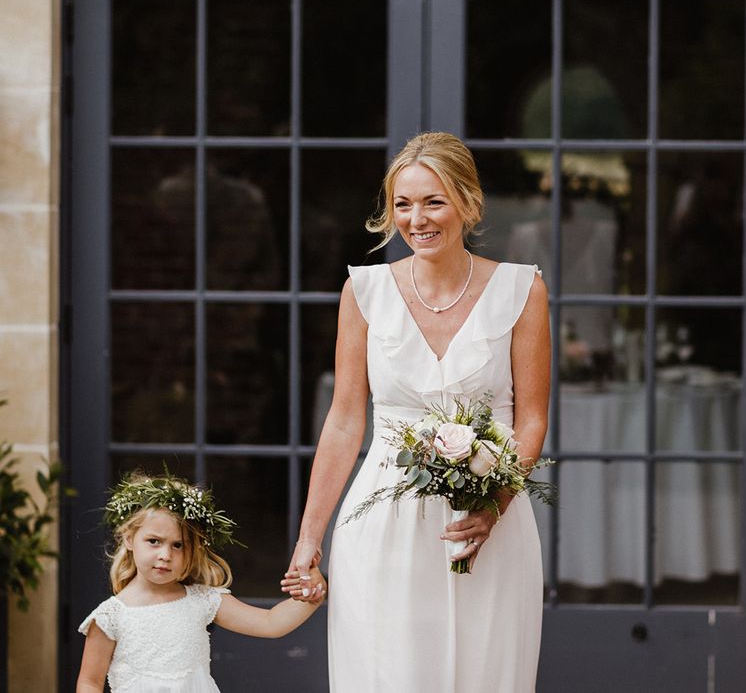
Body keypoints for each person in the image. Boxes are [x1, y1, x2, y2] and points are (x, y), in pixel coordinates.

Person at [288, 131, 551, 691]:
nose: (417, 219)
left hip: (486, 529)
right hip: (382, 523)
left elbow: (531, 420)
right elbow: (343, 420)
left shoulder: (521, 290)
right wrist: (309, 540)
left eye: (433, 201)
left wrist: (495, 506)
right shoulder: (364, 292)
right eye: (402, 204)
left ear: (468, 204)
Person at [76, 471, 326, 693]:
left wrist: (313, 594)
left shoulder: (201, 600)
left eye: (178, 545)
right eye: (154, 541)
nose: (165, 555)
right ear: (129, 539)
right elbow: (89, 683)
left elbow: (270, 623)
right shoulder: (110, 616)